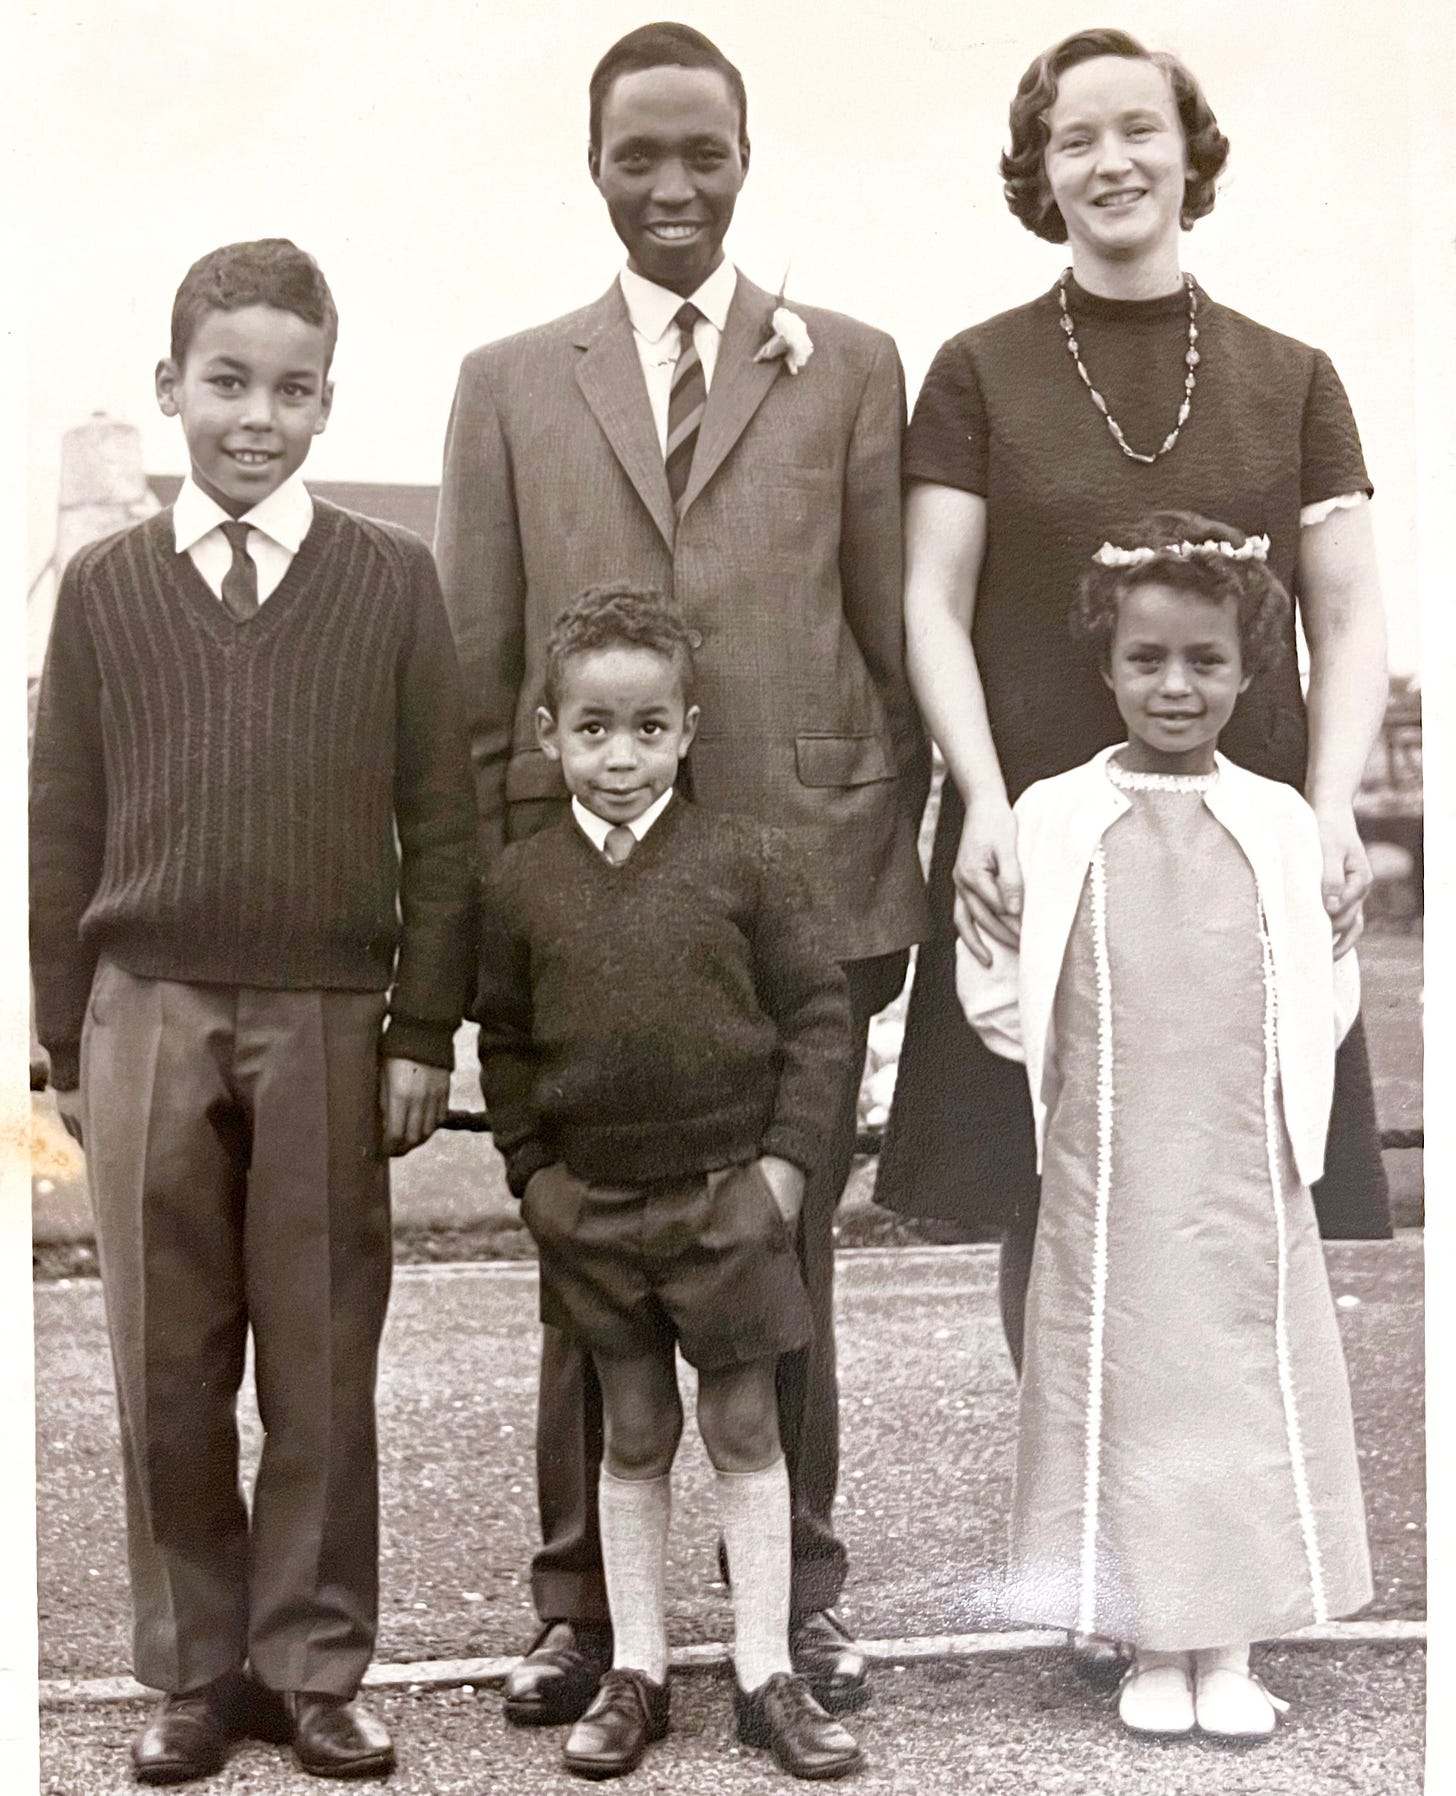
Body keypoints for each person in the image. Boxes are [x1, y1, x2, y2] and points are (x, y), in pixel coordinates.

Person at [436, 21, 928, 1721]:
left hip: (799, 886)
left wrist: (879, 859)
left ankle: (803, 1601)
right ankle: (582, 1608)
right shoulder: (511, 380)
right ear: (593, 167)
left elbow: (885, 630)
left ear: (745, 160)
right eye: (637, 153)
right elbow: (478, 665)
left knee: (777, 1261)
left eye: (701, 152)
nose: (670, 184)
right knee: (592, 1266)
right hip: (576, 909)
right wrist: (508, 904)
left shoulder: (851, 363)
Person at [875, 26, 1392, 1377]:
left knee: (1232, 1176)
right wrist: (978, 799)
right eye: (1076, 138)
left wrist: (1331, 812)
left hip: (1245, 831)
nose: (1113, 161)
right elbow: (930, 599)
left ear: (1190, 151)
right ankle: (1078, 1521)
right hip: (1042, 837)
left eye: (1138, 128)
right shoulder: (978, 371)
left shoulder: (1295, 376)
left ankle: (1217, 1518)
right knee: (1052, 1183)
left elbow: (1345, 614)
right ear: (1039, 173)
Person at [29, 239, 477, 1785]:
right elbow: (62, 816)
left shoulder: (389, 580)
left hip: (331, 1008)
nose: (255, 418)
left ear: (327, 405)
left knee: (321, 1356)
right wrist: (60, 1026)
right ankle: (194, 1670)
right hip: (145, 1005)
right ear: (173, 391)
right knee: (165, 1355)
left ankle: (313, 1664)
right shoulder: (100, 592)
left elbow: (445, 815)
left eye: (291, 390)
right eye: (227, 383)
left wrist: (424, 1027)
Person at [956, 513, 1372, 1740]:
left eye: (1203, 659)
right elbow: (996, 981)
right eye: (1148, 659)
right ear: (1106, 665)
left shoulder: (1284, 822)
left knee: (1235, 1381)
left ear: (1249, 669)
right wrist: (1081, 1084)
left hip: (1241, 1165)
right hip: (1108, 1162)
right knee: (1128, 1380)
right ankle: (1145, 1633)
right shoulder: (1051, 815)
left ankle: (1230, 1642)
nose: (1175, 685)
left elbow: (1324, 984)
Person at [475, 585, 865, 1781]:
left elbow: (817, 1016)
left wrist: (786, 1173)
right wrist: (535, 1174)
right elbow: (505, 1042)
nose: (620, 755)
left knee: (745, 1422)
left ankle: (763, 1672)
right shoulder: (521, 879)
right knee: (634, 1428)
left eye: (648, 728)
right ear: (549, 733)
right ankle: (636, 1667)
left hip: (727, 1200)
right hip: (594, 1202)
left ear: (688, 730)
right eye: (592, 728)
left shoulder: (749, 859)